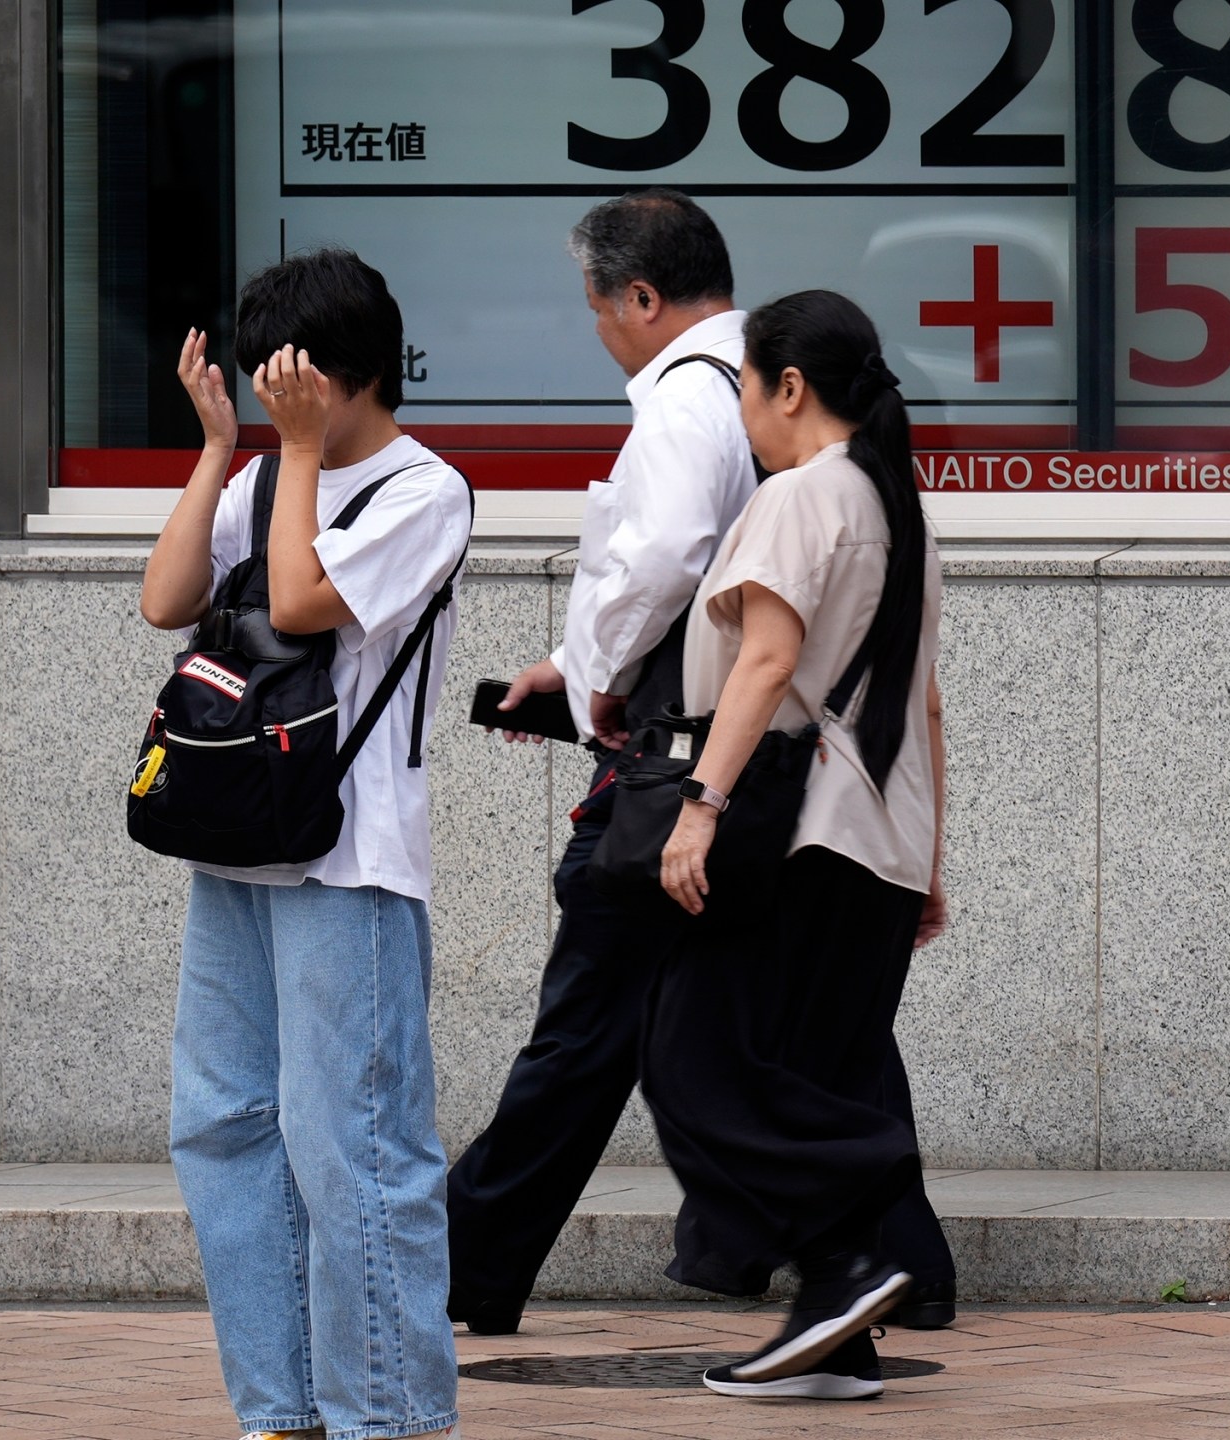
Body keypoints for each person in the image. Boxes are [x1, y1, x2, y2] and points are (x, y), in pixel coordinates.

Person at [445, 189, 957, 1335]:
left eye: (598, 308)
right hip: (841, 816)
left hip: (725, 785)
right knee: (795, 1041)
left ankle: (835, 1259)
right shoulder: (882, 489)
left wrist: (620, 715)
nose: (599, 330)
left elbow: (737, 631)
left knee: (650, 1045)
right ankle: (876, 1264)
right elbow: (913, 691)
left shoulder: (729, 432)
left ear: (639, 297)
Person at [140, 250, 472, 1440]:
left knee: (356, 1148)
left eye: (294, 377)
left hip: (350, 862)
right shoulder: (268, 467)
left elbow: (294, 603)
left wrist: (289, 457)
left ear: (354, 373)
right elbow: (166, 599)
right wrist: (223, 449)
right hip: (236, 845)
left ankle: (385, 1417)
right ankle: (281, 1412)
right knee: (222, 1123)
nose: (278, 391)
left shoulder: (426, 492)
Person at [643, 289, 950, 1401]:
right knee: (815, 1064)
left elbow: (766, 666)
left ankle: (863, 1239)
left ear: (786, 386)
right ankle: (840, 1313)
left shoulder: (803, 496)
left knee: (691, 1056)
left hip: (797, 829)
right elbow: (922, 707)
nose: (740, 419)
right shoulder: (892, 502)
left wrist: (701, 806)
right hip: (878, 838)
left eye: (742, 392)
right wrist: (930, 863)